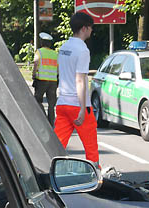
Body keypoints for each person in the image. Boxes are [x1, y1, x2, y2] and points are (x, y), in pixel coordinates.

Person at [54, 12, 99, 166]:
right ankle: (95, 173)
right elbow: (80, 80)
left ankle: (48, 170)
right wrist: (82, 109)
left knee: (57, 145)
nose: (92, 31)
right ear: (84, 28)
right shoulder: (82, 50)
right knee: (91, 147)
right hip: (77, 104)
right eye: (91, 28)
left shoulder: (63, 47)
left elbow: (61, 73)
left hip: (62, 103)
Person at [32, 32, 58, 125]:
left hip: (41, 81)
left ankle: (44, 118)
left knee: (37, 100)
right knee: (51, 104)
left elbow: (36, 63)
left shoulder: (39, 52)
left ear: (41, 42)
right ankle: (51, 123)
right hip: (53, 82)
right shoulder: (55, 54)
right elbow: (58, 68)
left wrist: (33, 75)